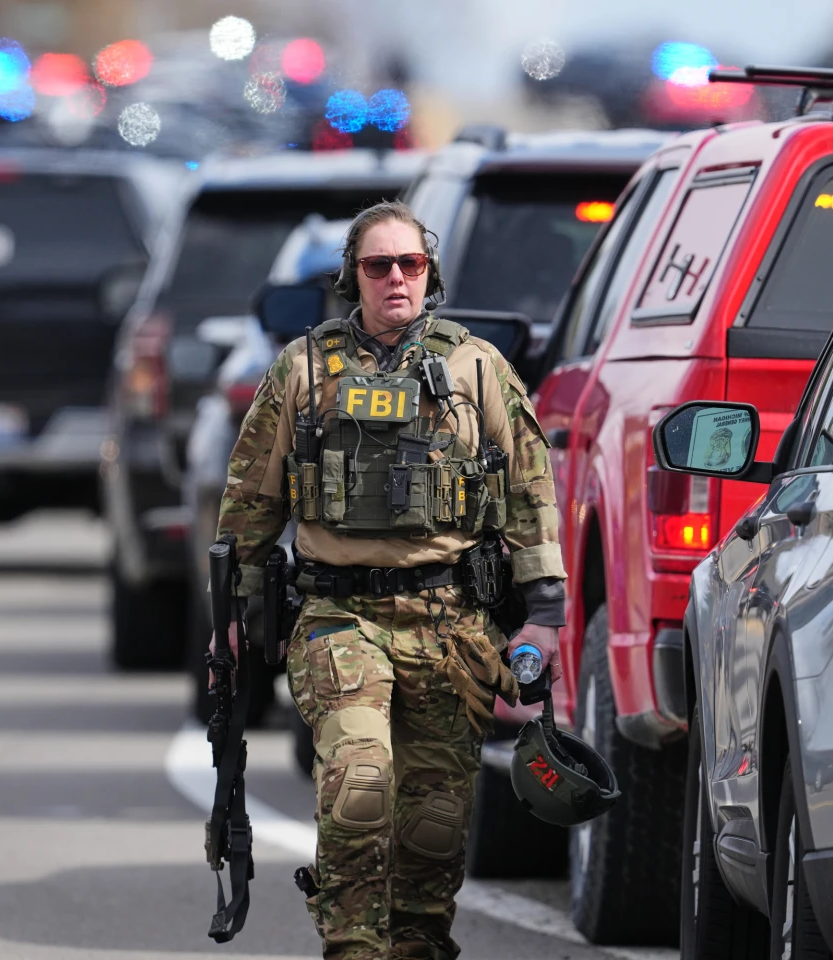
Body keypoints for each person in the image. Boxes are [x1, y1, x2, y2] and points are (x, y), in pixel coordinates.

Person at [216, 200, 566, 960]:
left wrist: (544, 611)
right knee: (359, 785)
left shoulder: (477, 367)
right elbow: (251, 499)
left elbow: (530, 489)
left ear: (429, 273)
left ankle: (416, 943)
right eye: (379, 265)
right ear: (355, 277)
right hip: (340, 616)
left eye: (411, 263)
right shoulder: (304, 368)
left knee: (434, 820)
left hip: (452, 622)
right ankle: (352, 946)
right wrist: (234, 616)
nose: (397, 278)